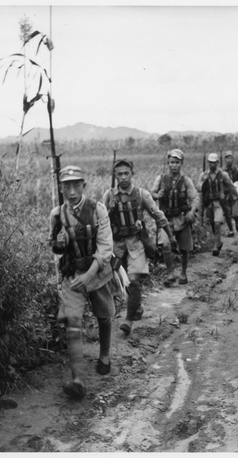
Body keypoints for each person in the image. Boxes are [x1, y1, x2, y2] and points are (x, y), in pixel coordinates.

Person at [49, 165, 116, 400]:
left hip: (95, 272)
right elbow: (55, 249)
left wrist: (89, 275)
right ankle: (77, 380)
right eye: (67, 186)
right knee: (73, 321)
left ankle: (105, 355)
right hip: (72, 274)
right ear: (61, 188)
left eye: (76, 185)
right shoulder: (57, 214)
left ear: (84, 186)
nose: (72, 191)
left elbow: (106, 248)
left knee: (104, 315)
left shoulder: (98, 210)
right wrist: (59, 242)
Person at [103, 159, 176, 336]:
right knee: (122, 282)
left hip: (136, 245)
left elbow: (158, 215)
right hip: (117, 246)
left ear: (132, 174)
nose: (123, 177)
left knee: (134, 280)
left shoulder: (141, 194)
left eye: (126, 173)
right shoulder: (109, 196)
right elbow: (101, 222)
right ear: (115, 176)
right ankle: (137, 305)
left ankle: (128, 321)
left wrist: (171, 236)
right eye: (119, 174)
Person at [151, 149, 199, 285]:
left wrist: (192, 212)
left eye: (177, 162)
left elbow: (194, 198)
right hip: (166, 219)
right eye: (172, 162)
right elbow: (151, 193)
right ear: (168, 163)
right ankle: (170, 273)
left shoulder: (186, 181)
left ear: (181, 163)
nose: (174, 165)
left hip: (182, 219)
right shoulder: (160, 179)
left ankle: (183, 273)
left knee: (184, 248)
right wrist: (157, 195)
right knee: (166, 244)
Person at [197, 153, 238, 256]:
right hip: (209, 203)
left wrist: (235, 197)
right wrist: (203, 182)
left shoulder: (223, 174)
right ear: (208, 163)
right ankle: (218, 242)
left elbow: (230, 185)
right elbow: (198, 188)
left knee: (217, 223)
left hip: (219, 203)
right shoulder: (204, 175)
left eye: (214, 163)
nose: (212, 165)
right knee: (211, 223)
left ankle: (216, 245)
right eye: (210, 163)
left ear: (217, 163)